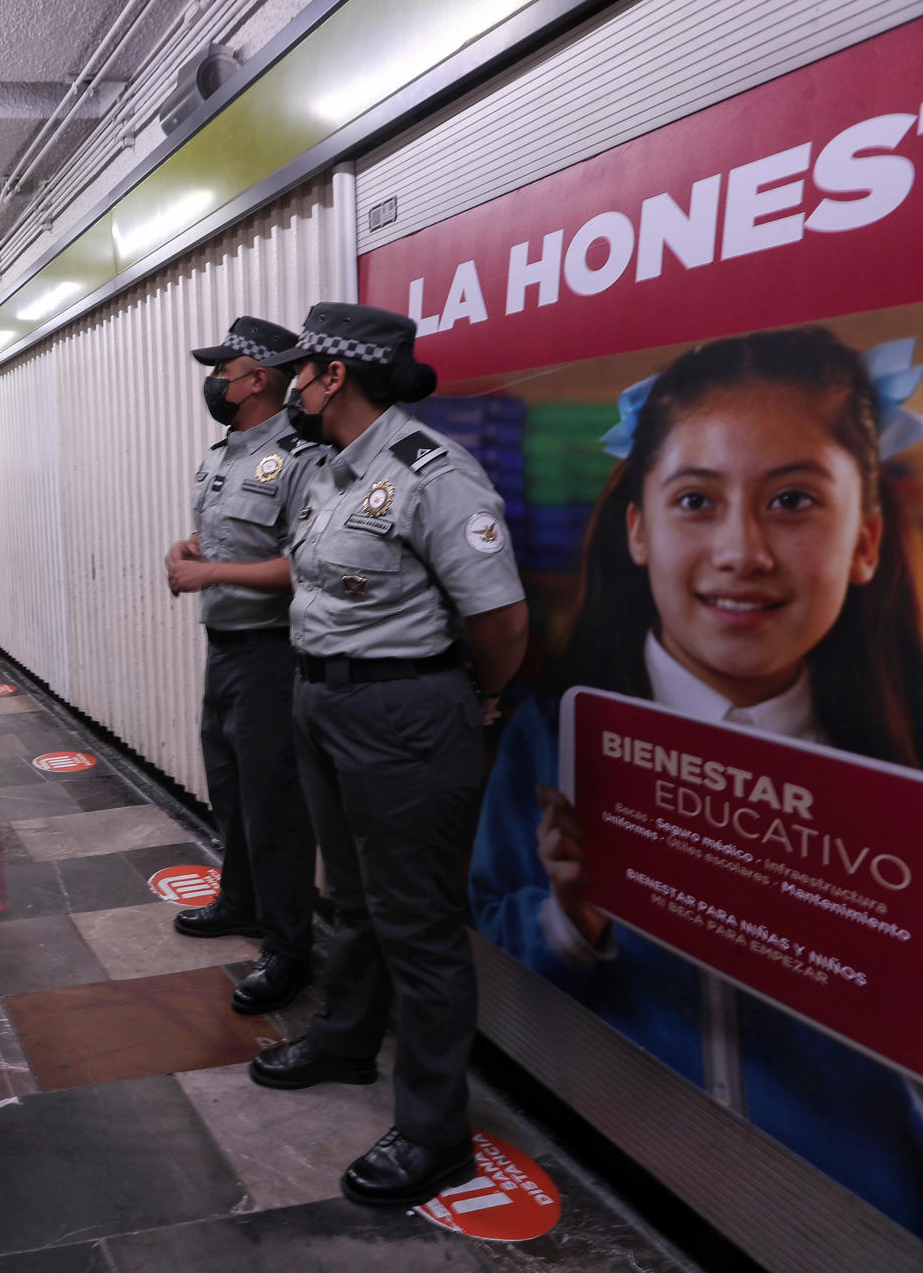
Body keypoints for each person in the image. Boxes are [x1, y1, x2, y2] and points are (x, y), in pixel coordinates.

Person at [469, 325, 923, 1233]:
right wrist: (570, 916)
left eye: (793, 499)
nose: (741, 551)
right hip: (609, 1172)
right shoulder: (553, 732)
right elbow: (483, 937)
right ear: (638, 529)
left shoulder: (901, 762)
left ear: (865, 540)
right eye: (695, 500)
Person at [248, 302, 529, 1208]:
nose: (290, 387)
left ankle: (435, 1132)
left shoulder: (431, 474)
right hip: (322, 697)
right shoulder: (332, 472)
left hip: (405, 709)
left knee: (417, 923)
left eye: (299, 372)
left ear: (334, 376)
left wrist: (474, 696)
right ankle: (342, 1039)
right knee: (349, 898)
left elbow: (500, 619)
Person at [163, 316, 324, 1017]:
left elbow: (308, 563)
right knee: (229, 790)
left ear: (259, 378)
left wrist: (212, 573)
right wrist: (189, 551)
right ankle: (241, 900)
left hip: (272, 655)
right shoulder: (223, 453)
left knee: (274, 810)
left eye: (222, 370)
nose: (213, 382)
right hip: (223, 650)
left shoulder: (300, 455)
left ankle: (289, 948)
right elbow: (227, 532)